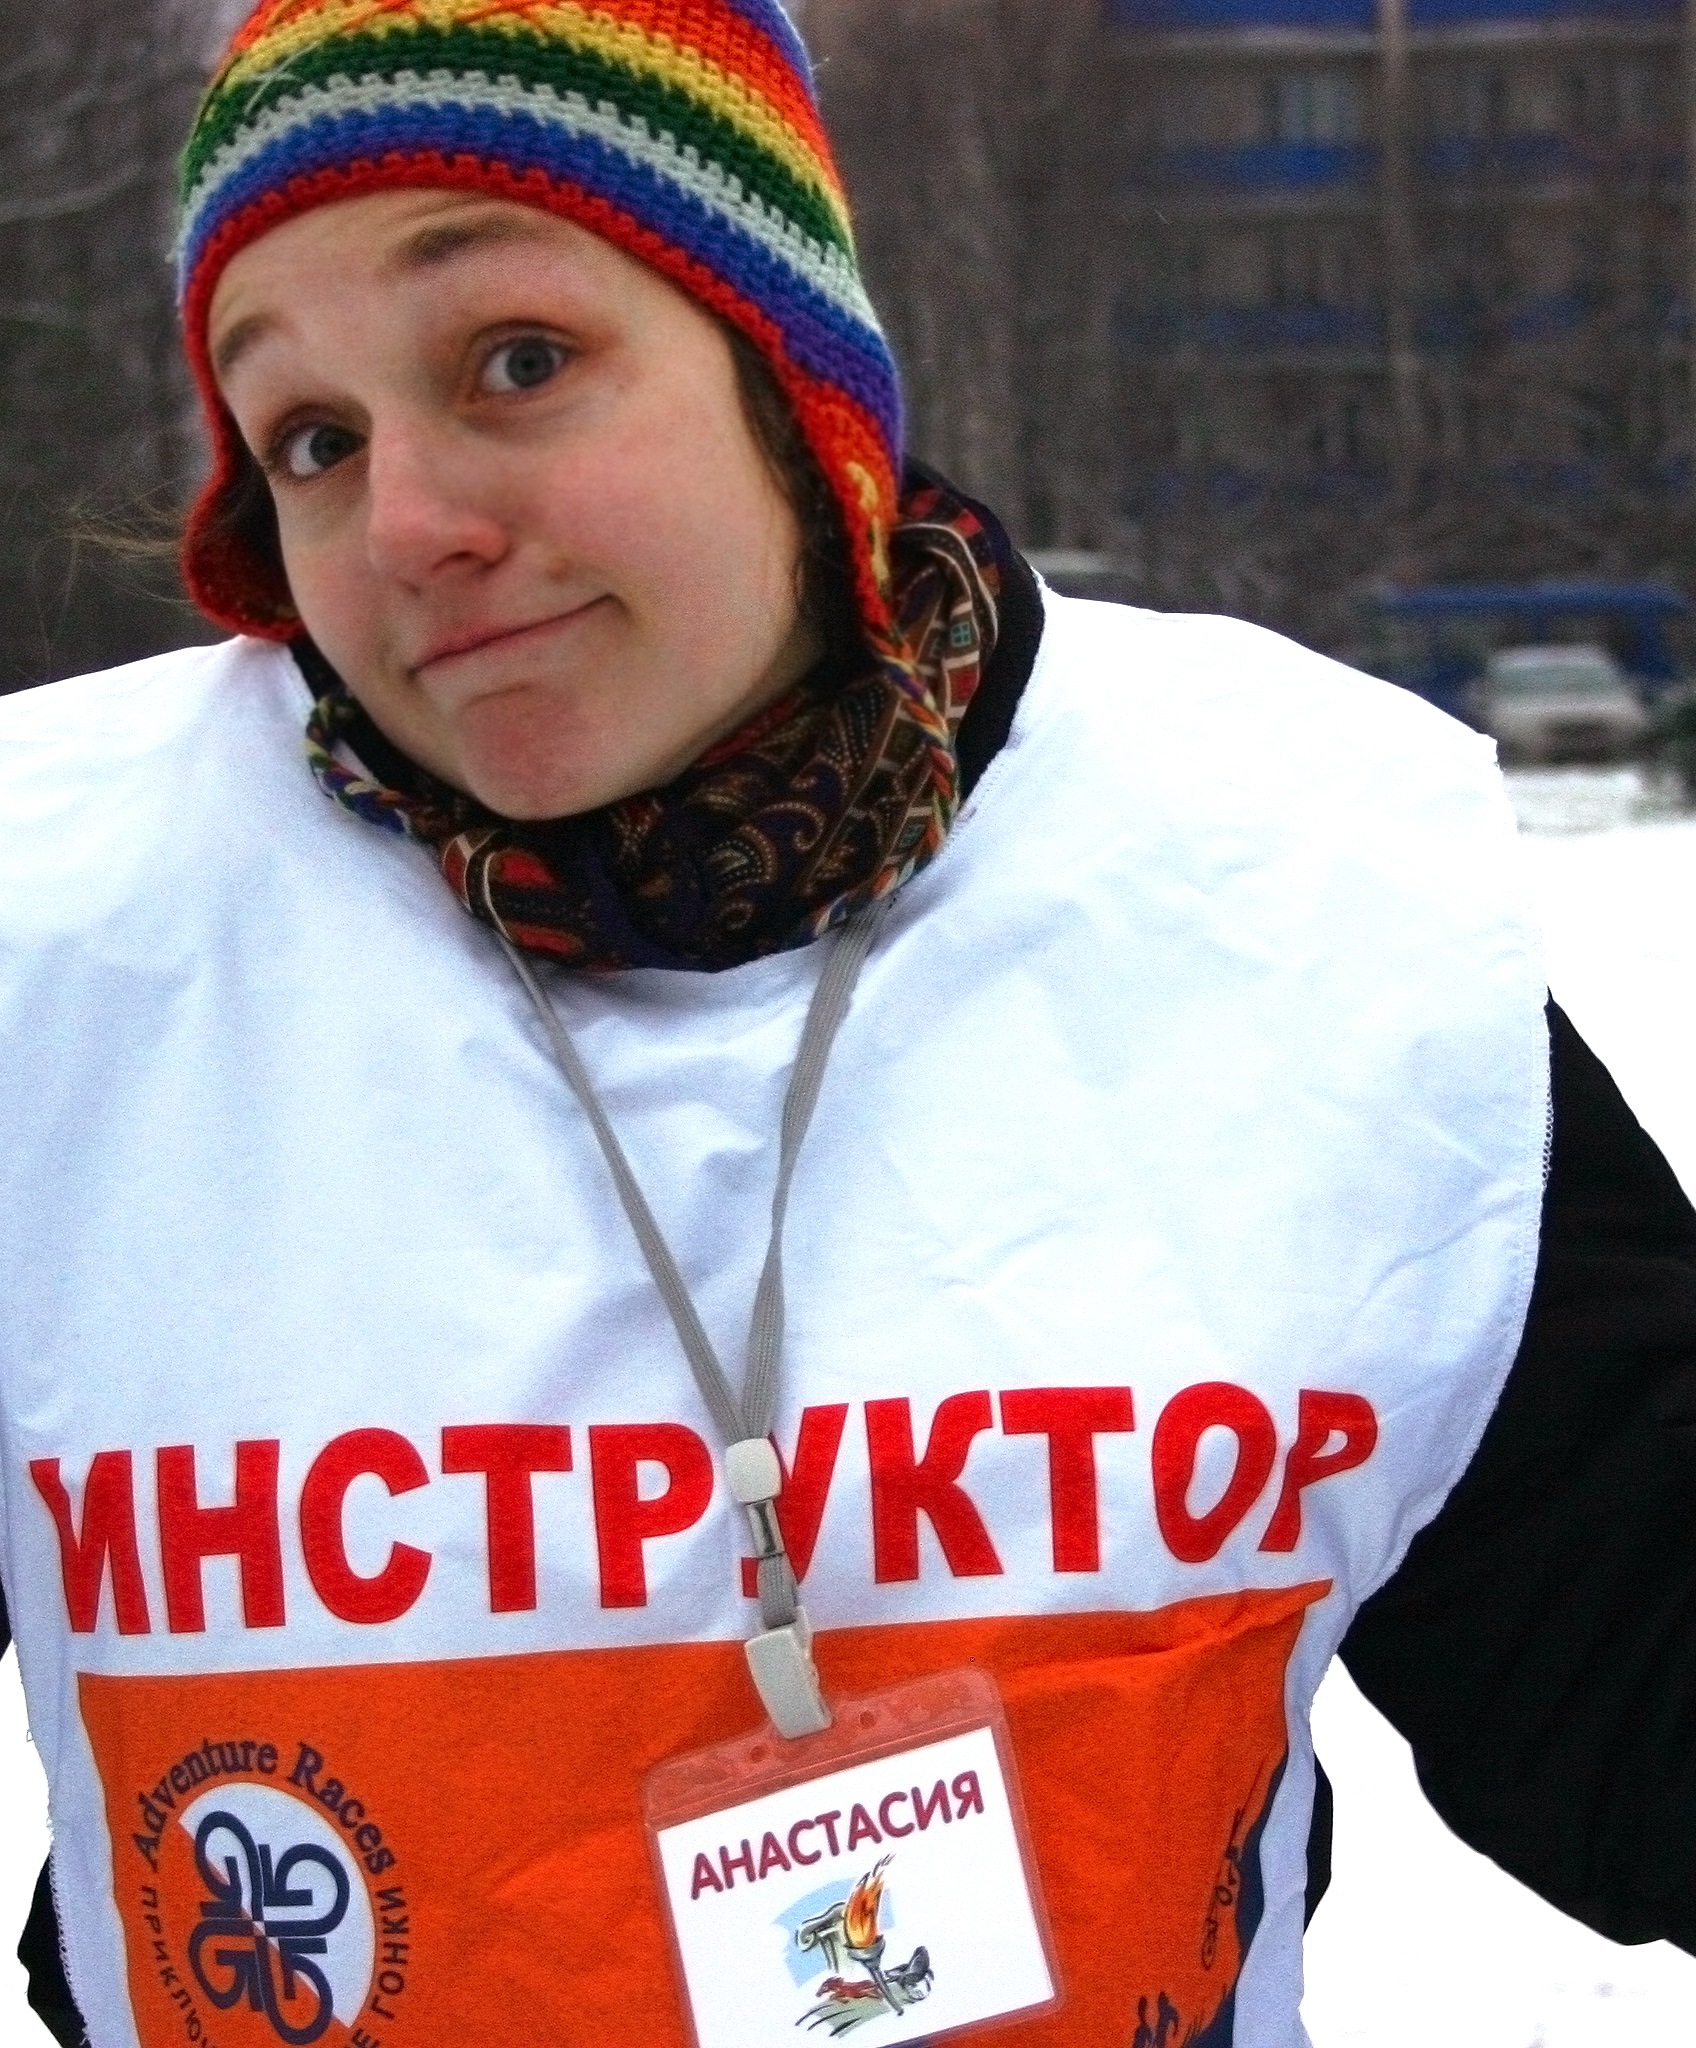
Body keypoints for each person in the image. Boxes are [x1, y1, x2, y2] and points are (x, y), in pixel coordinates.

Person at [1, 3, 1693, 2044]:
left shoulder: (1287, 905)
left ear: (790, 380)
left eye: (516, 360)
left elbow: (1628, 1691)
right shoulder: (64, 957)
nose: (408, 522)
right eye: (312, 439)